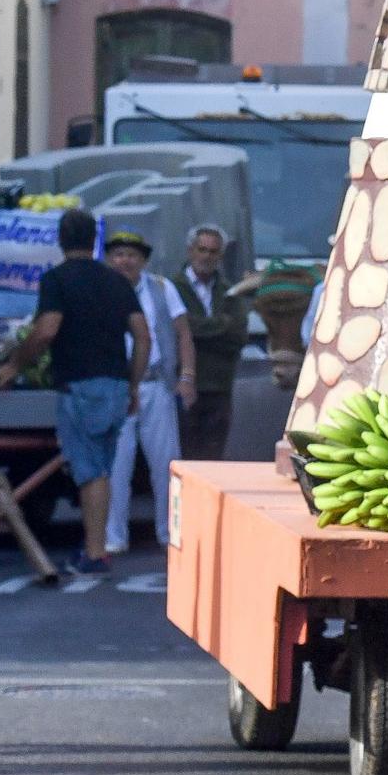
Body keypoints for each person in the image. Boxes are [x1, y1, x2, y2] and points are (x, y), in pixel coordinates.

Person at [0, 209, 150, 576]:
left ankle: (95, 553)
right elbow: (143, 336)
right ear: (93, 241)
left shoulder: (57, 280)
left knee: (89, 470)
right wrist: (132, 384)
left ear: (61, 240)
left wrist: (14, 365)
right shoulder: (117, 282)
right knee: (101, 470)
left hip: (79, 386)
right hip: (114, 384)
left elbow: (48, 329)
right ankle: (95, 548)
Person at [103, 231, 196, 554]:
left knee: (166, 463)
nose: (124, 260)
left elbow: (183, 333)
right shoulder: (101, 289)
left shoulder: (161, 288)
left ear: (142, 260)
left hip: (157, 386)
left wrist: (187, 375)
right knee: (116, 466)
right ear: (109, 259)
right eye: (118, 254)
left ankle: (168, 531)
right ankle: (113, 536)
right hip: (116, 388)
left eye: (131, 254)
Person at [172, 224, 249, 462]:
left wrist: (194, 329)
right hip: (182, 386)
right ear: (190, 251)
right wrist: (219, 325)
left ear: (221, 256)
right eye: (201, 249)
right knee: (185, 454)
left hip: (219, 387)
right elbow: (174, 332)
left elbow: (237, 336)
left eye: (213, 251)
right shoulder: (171, 287)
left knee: (213, 457)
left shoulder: (230, 291)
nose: (206, 256)